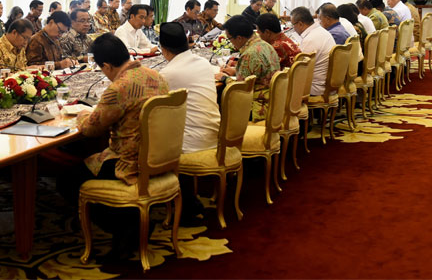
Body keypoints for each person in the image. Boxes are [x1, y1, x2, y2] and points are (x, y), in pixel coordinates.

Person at [75, 33, 169, 259]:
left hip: (128, 162)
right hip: (158, 156)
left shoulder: (119, 88)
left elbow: (90, 129)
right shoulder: (157, 76)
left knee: (68, 178)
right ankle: (132, 220)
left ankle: (125, 228)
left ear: (106, 66)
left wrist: (81, 115)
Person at [159, 22, 220, 222]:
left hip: (192, 143)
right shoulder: (203, 63)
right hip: (214, 134)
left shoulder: (168, 74)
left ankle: (180, 202)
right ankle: (187, 199)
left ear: (164, 49)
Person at [215, 15, 280, 122]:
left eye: (230, 38)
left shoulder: (249, 54)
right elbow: (259, 72)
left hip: (257, 108)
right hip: (273, 104)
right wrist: (237, 70)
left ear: (239, 38)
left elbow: (240, 90)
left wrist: (224, 78)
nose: (230, 42)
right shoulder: (265, 45)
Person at [290, 7, 335, 96]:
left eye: (293, 25)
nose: (293, 29)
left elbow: (299, 70)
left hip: (315, 87)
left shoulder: (310, 39)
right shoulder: (321, 31)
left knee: (277, 85)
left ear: (300, 24)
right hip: (327, 84)